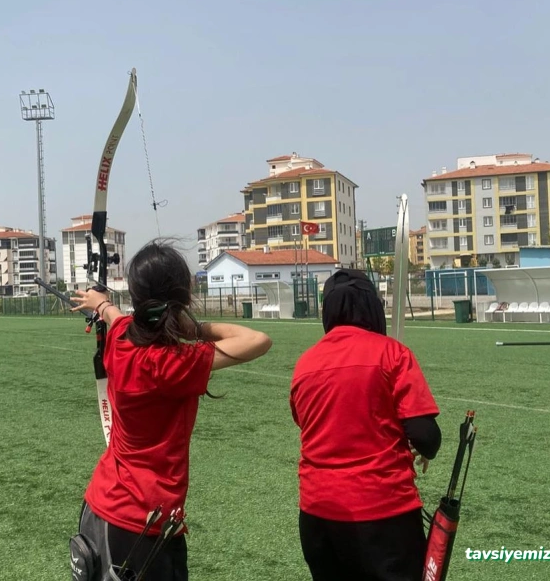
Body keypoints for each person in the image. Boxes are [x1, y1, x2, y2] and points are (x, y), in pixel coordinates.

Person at [68, 240, 272, 581]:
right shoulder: (171, 363)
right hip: (143, 525)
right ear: (182, 297)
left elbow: (114, 316)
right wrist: (194, 329)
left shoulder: (120, 338)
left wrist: (101, 303)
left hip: (99, 507)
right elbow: (258, 340)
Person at [290, 269, 441, 581]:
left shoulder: (305, 362)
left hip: (317, 513)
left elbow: (308, 423)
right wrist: (420, 445)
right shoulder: (392, 353)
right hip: (383, 513)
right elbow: (426, 436)